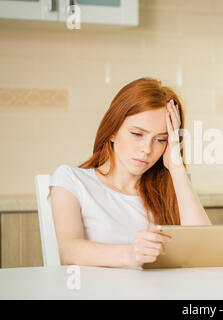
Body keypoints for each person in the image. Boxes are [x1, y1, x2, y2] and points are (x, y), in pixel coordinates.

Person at [48, 77, 211, 269]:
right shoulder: (71, 180)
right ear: (112, 131)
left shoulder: (170, 187)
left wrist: (177, 168)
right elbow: (70, 251)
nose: (147, 149)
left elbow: (204, 252)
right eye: (137, 134)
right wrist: (131, 254)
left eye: (160, 140)